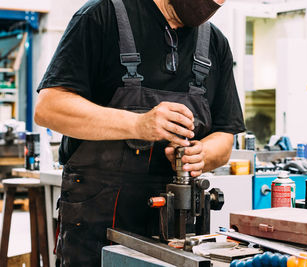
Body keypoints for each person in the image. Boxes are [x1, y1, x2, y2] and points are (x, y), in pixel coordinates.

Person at [34, 0, 245, 265]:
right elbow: (49, 108)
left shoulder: (215, 43)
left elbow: (225, 137)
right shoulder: (101, 16)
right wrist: (137, 124)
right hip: (97, 226)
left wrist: (202, 154)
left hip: (177, 230)